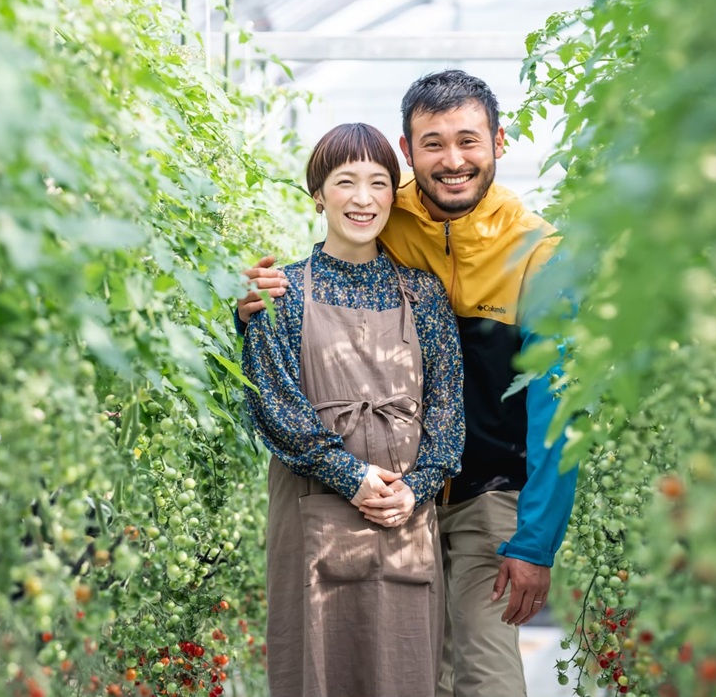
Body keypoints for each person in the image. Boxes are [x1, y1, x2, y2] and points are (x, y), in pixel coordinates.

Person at [238, 71, 578, 697]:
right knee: (405, 670)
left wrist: (535, 542)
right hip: (371, 501)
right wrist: (250, 305)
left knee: (485, 675)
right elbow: (319, 279)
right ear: (409, 151)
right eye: (433, 144)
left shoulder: (538, 254)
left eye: (469, 141)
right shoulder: (384, 214)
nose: (452, 161)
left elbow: (558, 409)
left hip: (483, 489)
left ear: (499, 142)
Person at [241, 122, 466, 697]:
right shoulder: (280, 293)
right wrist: (352, 476)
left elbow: (447, 415)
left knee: (404, 668)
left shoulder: (423, 294)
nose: (362, 199)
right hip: (312, 507)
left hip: (403, 513)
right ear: (318, 194)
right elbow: (274, 405)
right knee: (316, 666)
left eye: (377, 182)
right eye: (345, 182)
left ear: (395, 194)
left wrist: (413, 489)